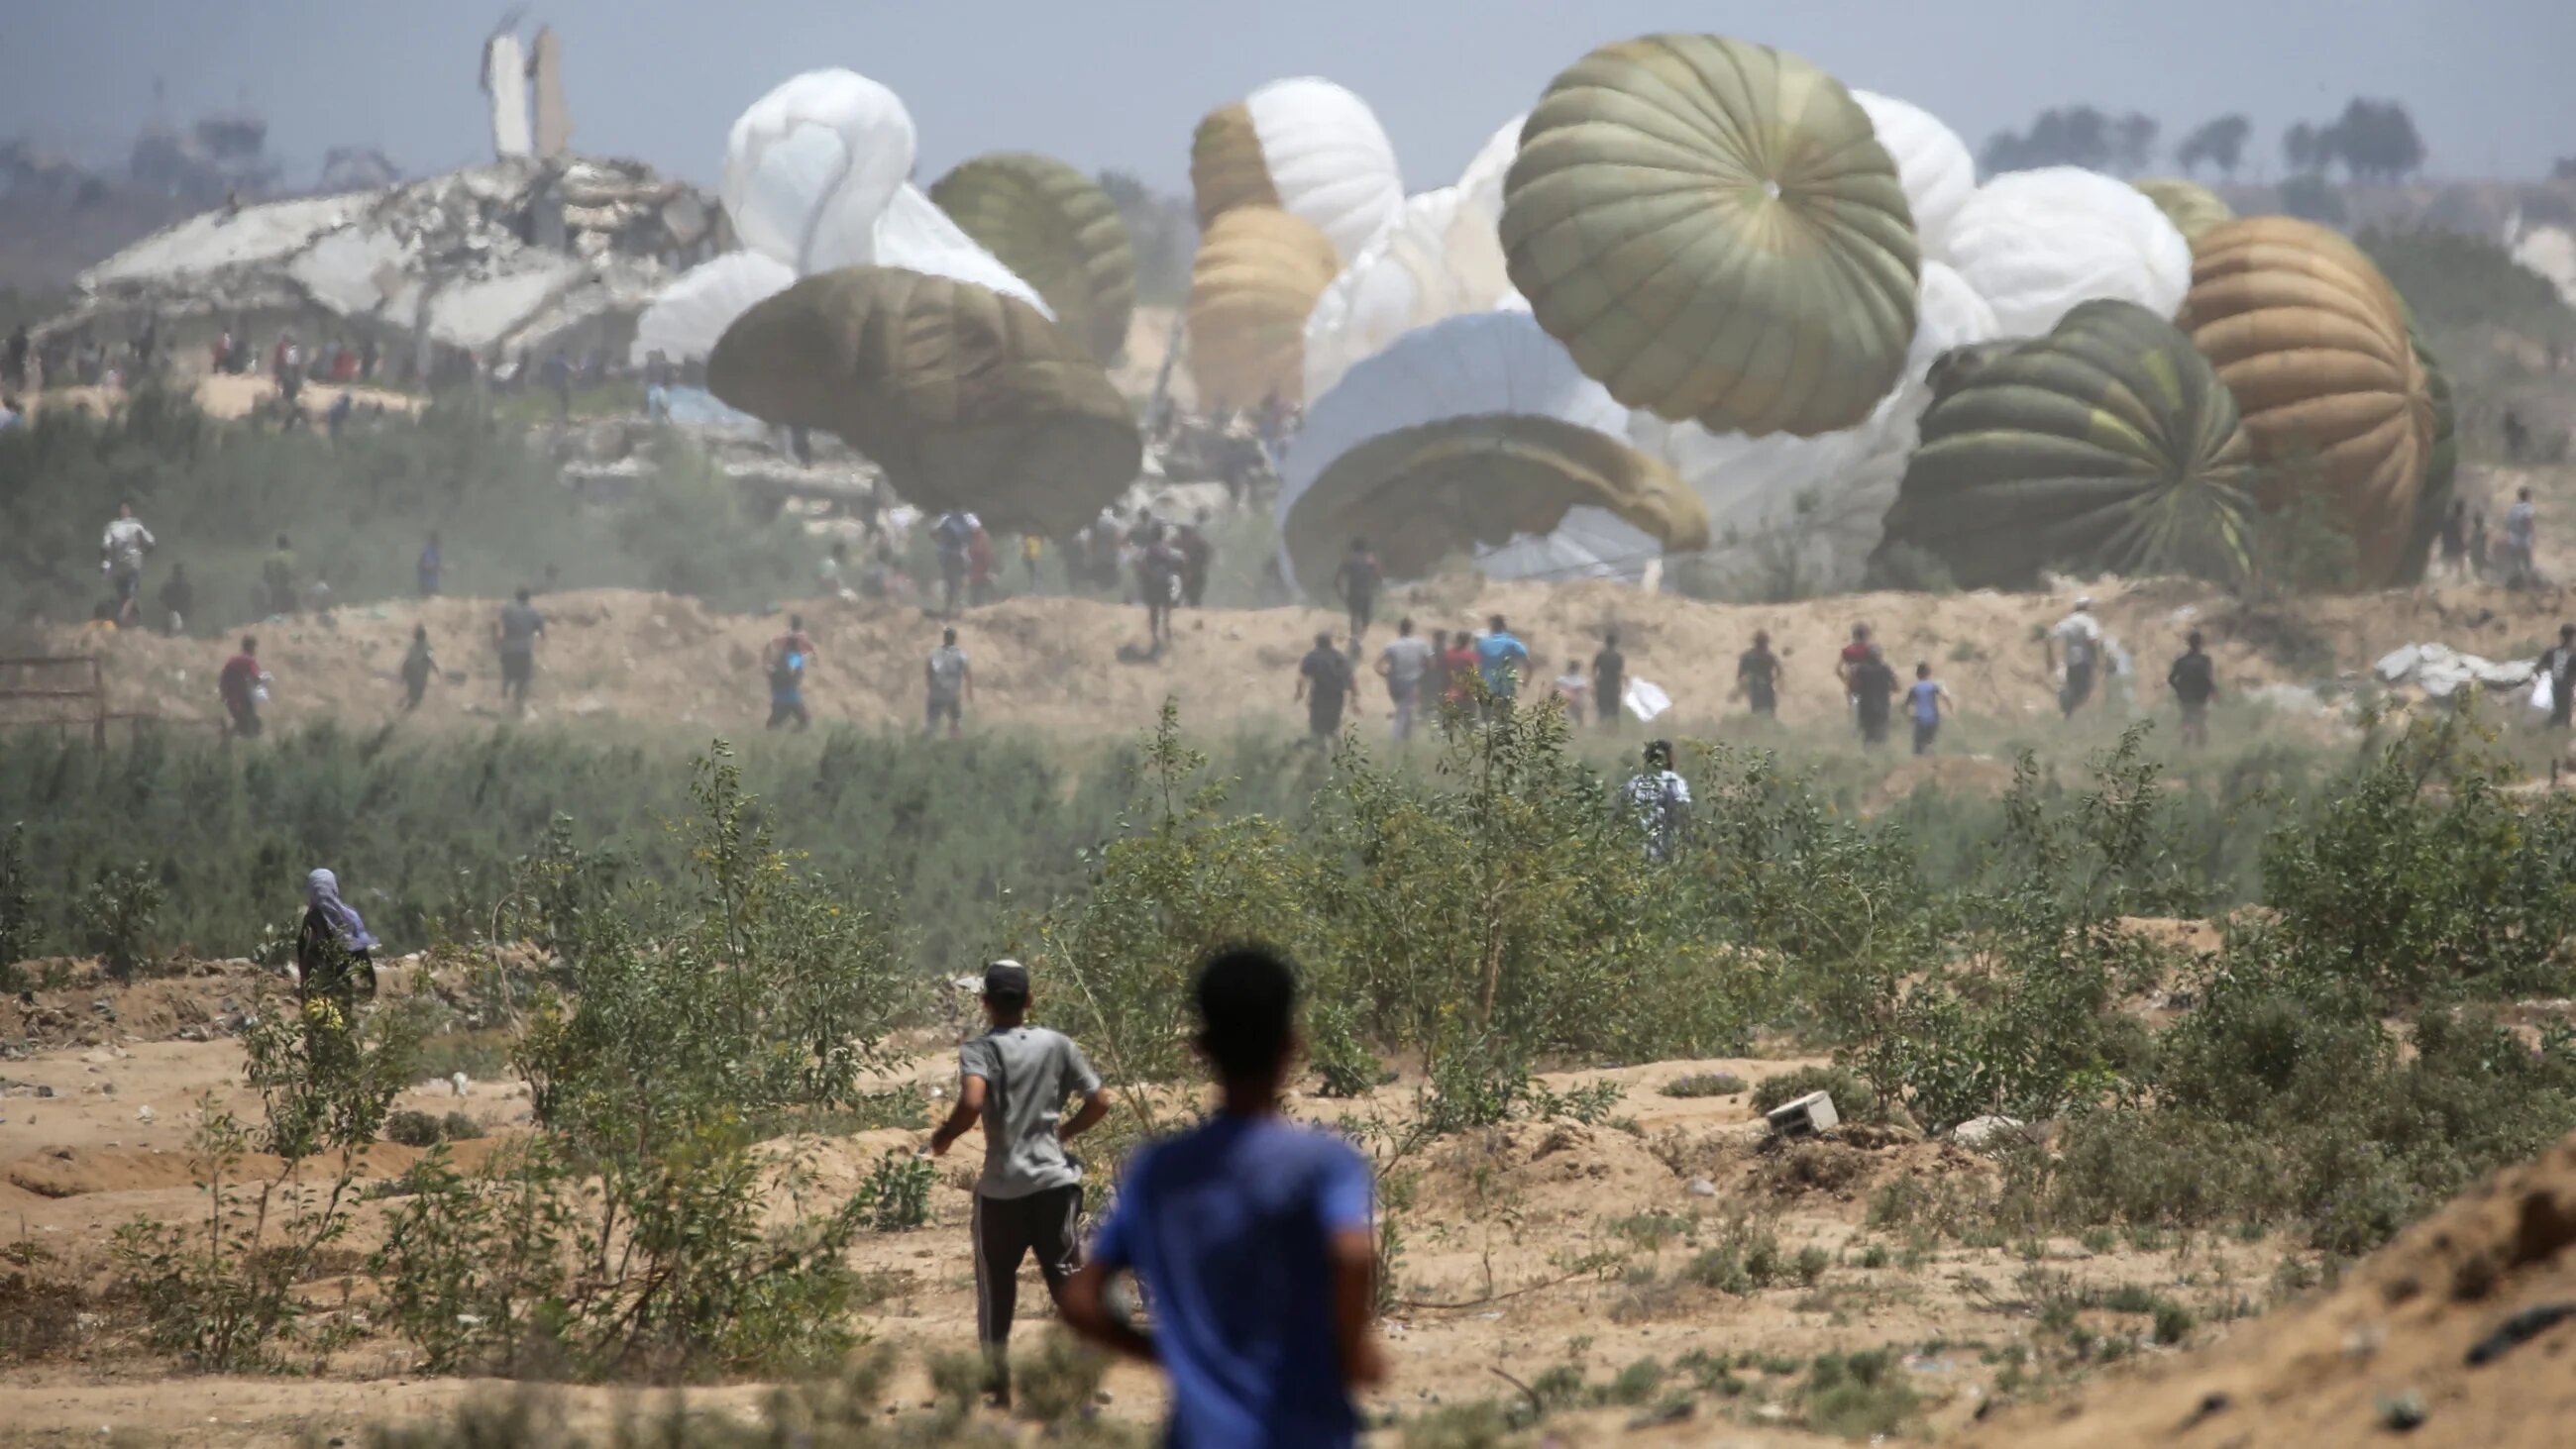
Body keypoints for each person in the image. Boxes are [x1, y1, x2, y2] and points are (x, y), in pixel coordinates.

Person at [1061, 946, 1384, 1448]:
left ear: (1201, 1049)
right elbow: (1353, 1252)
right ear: (1292, 1044)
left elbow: (1082, 1299)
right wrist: (1352, 1352)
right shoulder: (1325, 1163)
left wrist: (1172, 1356)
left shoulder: (1158, 1171)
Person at [925, 959, 1111, 1406]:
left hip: (1002, 1190)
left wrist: (944, 1136)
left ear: (986, 1003)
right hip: (1054, 1184)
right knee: (1066, 1279)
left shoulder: (979, 1050)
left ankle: (998, 1385)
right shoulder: (1058, 1044)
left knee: (997, 1285)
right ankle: (1085, 1380)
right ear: (1029, 1000)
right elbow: (1101, 1100)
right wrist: (1061, 1133)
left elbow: (971, 1102)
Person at [296, 868, 381, 1013]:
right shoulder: (350, 916)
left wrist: (304, 990)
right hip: (343, 988)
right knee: (341, 1024)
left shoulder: (310, 920)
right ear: (334, 887)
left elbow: (303, 957)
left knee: (320, 1027)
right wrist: (370, 983)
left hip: (316, 992)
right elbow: (362, 955)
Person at [1624, 740, 1693, 861]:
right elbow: (1683, 811)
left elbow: (1621, 817)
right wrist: (1688, 841)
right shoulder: (1673, 781)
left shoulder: (1633, 783)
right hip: (1663, 852)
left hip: (1634, 856)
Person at [1375, 616, 1435, 742]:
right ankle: (1396, 740)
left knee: (1404, 709)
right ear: (1411, 629)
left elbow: (1378, 666)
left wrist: (1386, 675)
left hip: (1395, 683)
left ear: (1399, 629)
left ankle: (1406, 740)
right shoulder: (1421, 644)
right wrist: (1423, 672)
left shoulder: (1391, 645)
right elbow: (1431, 663)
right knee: (1403, 712)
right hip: (1412, 683)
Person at [2047, 597, 2106, 719]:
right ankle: (2075, 714)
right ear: (2086, 607)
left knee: (2073, 687)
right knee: (2084, 690)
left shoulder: (2066, 622)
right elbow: (2092, 639)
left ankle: (2069, 713)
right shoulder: (2088, 621)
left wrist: (2050, 658)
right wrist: (2098, 657)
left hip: (2071, 661)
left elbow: (2051, 636)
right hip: (2085, 660)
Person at [99, 500, 156, 625]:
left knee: (122, 595)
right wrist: (146, 552)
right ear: (129, 511)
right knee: (131, 596)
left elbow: (105, 547)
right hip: (133, 565)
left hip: (117, 567)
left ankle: (121, 619)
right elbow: (151, 543)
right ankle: (120, 618)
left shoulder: (111, 527)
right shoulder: (136, 525)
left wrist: (104, 563)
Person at [1297, 631, 1356, 746]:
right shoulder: (1339, 657)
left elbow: (1301, 678)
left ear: (1316, 642)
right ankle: (1340, 756)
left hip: (1319, 697)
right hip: (1337, 698)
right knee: (1332, 729)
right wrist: (1354, 698)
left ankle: (1311, 751)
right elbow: (1351, 678)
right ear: (1330, 642)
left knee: (1317, 730)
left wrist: (1299, 693)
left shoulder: (1312, 656)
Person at [494, 587, 546, 714]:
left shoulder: (506, 609)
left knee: (507, 677)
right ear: (528, 598)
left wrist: (498, 643)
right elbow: (542, 632)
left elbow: (498, 626)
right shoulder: (533, 612)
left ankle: (502, 701)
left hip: (508, 650)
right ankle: (518, 706)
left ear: (515, 596)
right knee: (524, 679)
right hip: (524, 651)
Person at [2167, 631, 2217, 749]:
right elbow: (2209, 678)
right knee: (2200, 724)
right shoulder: (2204, 660)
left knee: (2188, 722)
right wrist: (2213, 691)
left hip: (2187, 697)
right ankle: (2199, 751)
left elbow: (2171, 679)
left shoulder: (2182, 660)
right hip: (2200, 697)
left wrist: (2179, 690)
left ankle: (2186, 749)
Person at [765, 614, 815, 731]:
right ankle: (792, 738)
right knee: (805, 722)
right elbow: (795, 665)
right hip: (792, 699)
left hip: (777, 699)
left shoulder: (780, 657)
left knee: (771, 727)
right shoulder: (796, 657)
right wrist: (809, 655)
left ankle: (774, 743)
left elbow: (769, 647)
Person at [1139, 525, 1182, 650]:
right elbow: (1180, 559)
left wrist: (1147, 575)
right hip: (1166, 581)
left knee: (1154, 609)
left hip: (1153, 581)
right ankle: (1166, 629)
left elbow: (1142, 564)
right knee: (1166, 606)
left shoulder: (1148, 549)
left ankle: (1154, 635)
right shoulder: (1167, 548)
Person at [1331, 538, 1380, 645]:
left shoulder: (1348, 560)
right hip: (1366, 592)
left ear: (1352, 548)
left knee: (1354, 616)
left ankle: (1354, 639)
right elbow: (1378, 578)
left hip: (1353, 593)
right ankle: (1359, 640)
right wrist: (1374, 588)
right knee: (1366, 619)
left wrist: (1341, 594)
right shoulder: (1370, 559)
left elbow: (1337, 580)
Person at [926, 626, 973, 737]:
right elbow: (968, 674)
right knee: (956, 722)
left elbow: (928, 671)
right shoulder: (960, 655)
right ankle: (955, 746)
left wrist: (931, 687)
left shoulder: (935, 653)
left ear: (944, 638)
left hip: (936, 693)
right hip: (952, 694)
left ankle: (926, 747)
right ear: (954, 638)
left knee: (932, 724)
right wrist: (969, 693)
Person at [1475, 614, 1531, 705]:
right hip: (1505, 689)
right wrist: (1526, 680)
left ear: (1491, 627)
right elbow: (1528, 664)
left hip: (1486, 688)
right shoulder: (1512, 642)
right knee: (1504, 716)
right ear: (1504, 626)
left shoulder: (1482, 643)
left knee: (1486, 717)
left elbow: (1476, 666)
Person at [1850, 644, 1898, 748]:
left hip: (1866, 709)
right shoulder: (1886, 669)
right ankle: (1881, 760)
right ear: (1880, 656)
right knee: (1882, 739)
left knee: (1868, 739)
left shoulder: (1861, 669)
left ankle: (1869, 761)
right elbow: (1897, 688)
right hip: (1882, 708)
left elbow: (1853, 688)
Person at [219, 636, 268, 739]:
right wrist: (264, 680)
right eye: (254, 647)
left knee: (241, 720)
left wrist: (223, 693)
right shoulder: (249, 661)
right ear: (251, 647)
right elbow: (255, 677)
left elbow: (223, 676)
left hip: (228, 693)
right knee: (251, 723)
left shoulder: (233, 660)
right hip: (239, 695)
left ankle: (228, 734)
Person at [1906, 663, 1954, 757]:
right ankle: (1931, 762)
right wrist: (1951, 709)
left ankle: (1919, 765)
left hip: (1920, 719)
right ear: (1929, 673)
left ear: (1917, 674)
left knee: (1918, 746)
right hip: (1933, 719)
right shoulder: (1933, 685)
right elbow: (1945, 696)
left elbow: (1906, 705)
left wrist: (1908, 717)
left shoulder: (1914, 688)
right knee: (1930, 742)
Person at [933, 509, 974, 616]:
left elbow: (934, 533)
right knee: (956, 582)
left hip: (946, 556)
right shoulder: (965, 520)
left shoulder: (946, 520)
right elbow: (968, 538)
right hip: (958, 556)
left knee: (949, 582)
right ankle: (957, 605)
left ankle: (949, 606)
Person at [1737, 631, 1782, 719]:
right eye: (1762, 643)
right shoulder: (1769, 657)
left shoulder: (1748, 656)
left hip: (1761, 691)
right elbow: (1779, 672)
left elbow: (1740, 675)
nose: (1764, 646)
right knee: (1766, 715)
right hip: (1762, 691)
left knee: (1760, 715)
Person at [1176, 514, 1215, 608]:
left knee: (1193, 599)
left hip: (1193, 574)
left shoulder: (1176, 541)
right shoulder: (1176, 541)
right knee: (1188, 599)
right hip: (1186, 574)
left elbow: (1208, 555)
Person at [2541, 625, 2576, 731]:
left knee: (2558, 710)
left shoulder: (2552, 651)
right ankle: (2560, 730)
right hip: (2566, 686)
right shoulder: (2573, 653)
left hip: (2555, 684)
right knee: (2564, 712)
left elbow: (2540, 666)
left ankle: (2552, 729)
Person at [1590, 630, 1626, 732]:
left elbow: (1593, 670)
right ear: (1615, 643)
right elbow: (1620, 671)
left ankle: (1601, 729)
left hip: (1602, 684)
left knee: (1602, 709)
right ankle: (1614, 731)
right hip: (1614, 685)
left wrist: (1594, 683)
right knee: (1614, 709)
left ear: (1606, 642)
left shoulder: (1600, 655)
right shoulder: (1618, 656)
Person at [1835, 624, 1874, 714]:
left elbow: (1837, 670)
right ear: (1865, 636)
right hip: (1867, 685)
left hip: (1852, 685)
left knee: (1854, 711)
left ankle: (1853, 725)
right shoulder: (1869, 650)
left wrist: (1845, 681)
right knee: (1868, 712)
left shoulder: (1847, 651)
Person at [400, 625, 439, 712]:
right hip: (420, 676)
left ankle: (402, 705)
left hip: (411, 674)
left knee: (412, 693)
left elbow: (407, 661)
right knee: (416, 698)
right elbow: (432, 660)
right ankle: (404, 712)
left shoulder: (412, 647)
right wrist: (437, 671)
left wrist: (403, 674)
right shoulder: (427, 648)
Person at [2506, 488, 2538, 588]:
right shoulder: (2527, 508)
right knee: (2527, 565)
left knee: (2516, 565)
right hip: (2524, 541)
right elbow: (2529, 521)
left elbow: (2507, 524)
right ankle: (2528, 587)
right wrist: (2533, 535)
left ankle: (2517, 586)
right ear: (2527, 496)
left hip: (2513, 540)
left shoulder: (2513, 509)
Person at [263, 534, 297, 617]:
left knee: (274, 614)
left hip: (272, 588)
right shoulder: (291, 556)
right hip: (288, 587)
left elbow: (266, 574)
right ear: (287, 543)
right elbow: (293, 572)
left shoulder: (270, 557)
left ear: (277, 543)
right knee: (290, 614)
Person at [156, 564, 193, 637]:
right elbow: (161, 599)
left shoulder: (185, 586)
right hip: (173, 612)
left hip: (179, 613)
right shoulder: (170, 586)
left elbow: (161, 599)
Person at [967, 515, 997, 606]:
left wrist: (988, 570)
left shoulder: (982, 537)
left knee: (981, 591)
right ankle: (976, 606)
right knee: (975, 592)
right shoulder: (973, 537)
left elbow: (986, 554)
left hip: (982, 569)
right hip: (975, 570)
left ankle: (985, 605)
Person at [2438, 499, 2469, 583]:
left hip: (2446, 550)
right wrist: (2465, 546)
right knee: (2460, 571)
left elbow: (2442, 534)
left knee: (2447, 573)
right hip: (2456, 551)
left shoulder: (2447, 520)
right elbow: (2462, 536)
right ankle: (2460, 583)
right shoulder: (2460, 521)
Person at [417, 532, 443, 597]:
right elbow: (427, 565)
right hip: (428, 585)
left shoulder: (434, 551)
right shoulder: (429, 551)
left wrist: (442, 569)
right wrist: (440, 568)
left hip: (432, 585)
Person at [2471, 510, 2492, 580]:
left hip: (2476, 556)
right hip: (2480, 555)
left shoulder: (2474, 532)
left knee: (2478, 571)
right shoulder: (2482, 532)